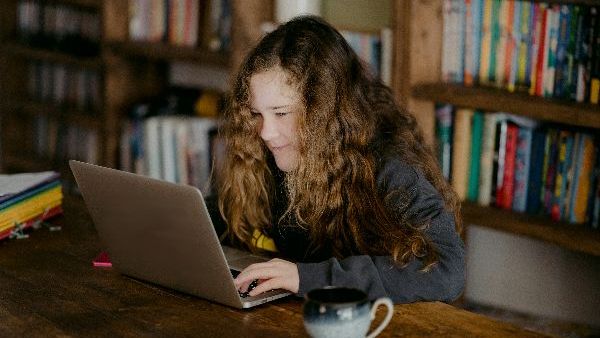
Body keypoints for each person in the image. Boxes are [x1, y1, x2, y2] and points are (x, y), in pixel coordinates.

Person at [205, 15, 465, 303]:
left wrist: (306, 278)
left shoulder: (391, 166)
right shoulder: (275, 151)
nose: (266, 132)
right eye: (257, 114)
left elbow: (447, 270)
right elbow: (222, 216)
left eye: (281, 113)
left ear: (324, 112)